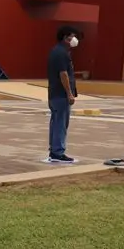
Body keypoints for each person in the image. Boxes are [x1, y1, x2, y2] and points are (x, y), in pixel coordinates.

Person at [47, 25, 79, 164]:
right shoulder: (61, 53)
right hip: (61, 95)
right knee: (60, 124)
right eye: (72, 36)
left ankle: (54, 150)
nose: (74, 39)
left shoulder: (56, 51)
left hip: (54, 94)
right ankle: (58, 152)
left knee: (56, 123)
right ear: (66, 37)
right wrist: (69, 94)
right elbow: (63, 74)